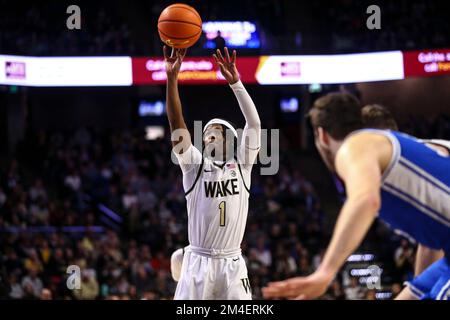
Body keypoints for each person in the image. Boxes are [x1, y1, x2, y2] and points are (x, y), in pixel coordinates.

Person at [262, 92, 449, 300]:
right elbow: (432, 240)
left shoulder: (353, 147)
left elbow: (365, 201)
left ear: (322, 135)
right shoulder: (397, 165)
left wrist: (325, 273)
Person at [164, 46, 261, 299]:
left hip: (232, 263)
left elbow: (254, 124)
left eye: (216, 130)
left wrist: (237, 83)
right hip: (198, 262)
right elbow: (177, 125)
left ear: (230, 140)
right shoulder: (195, 166)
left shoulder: (242, 164)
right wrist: (172, 79)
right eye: (206, 133)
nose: (209, 135)